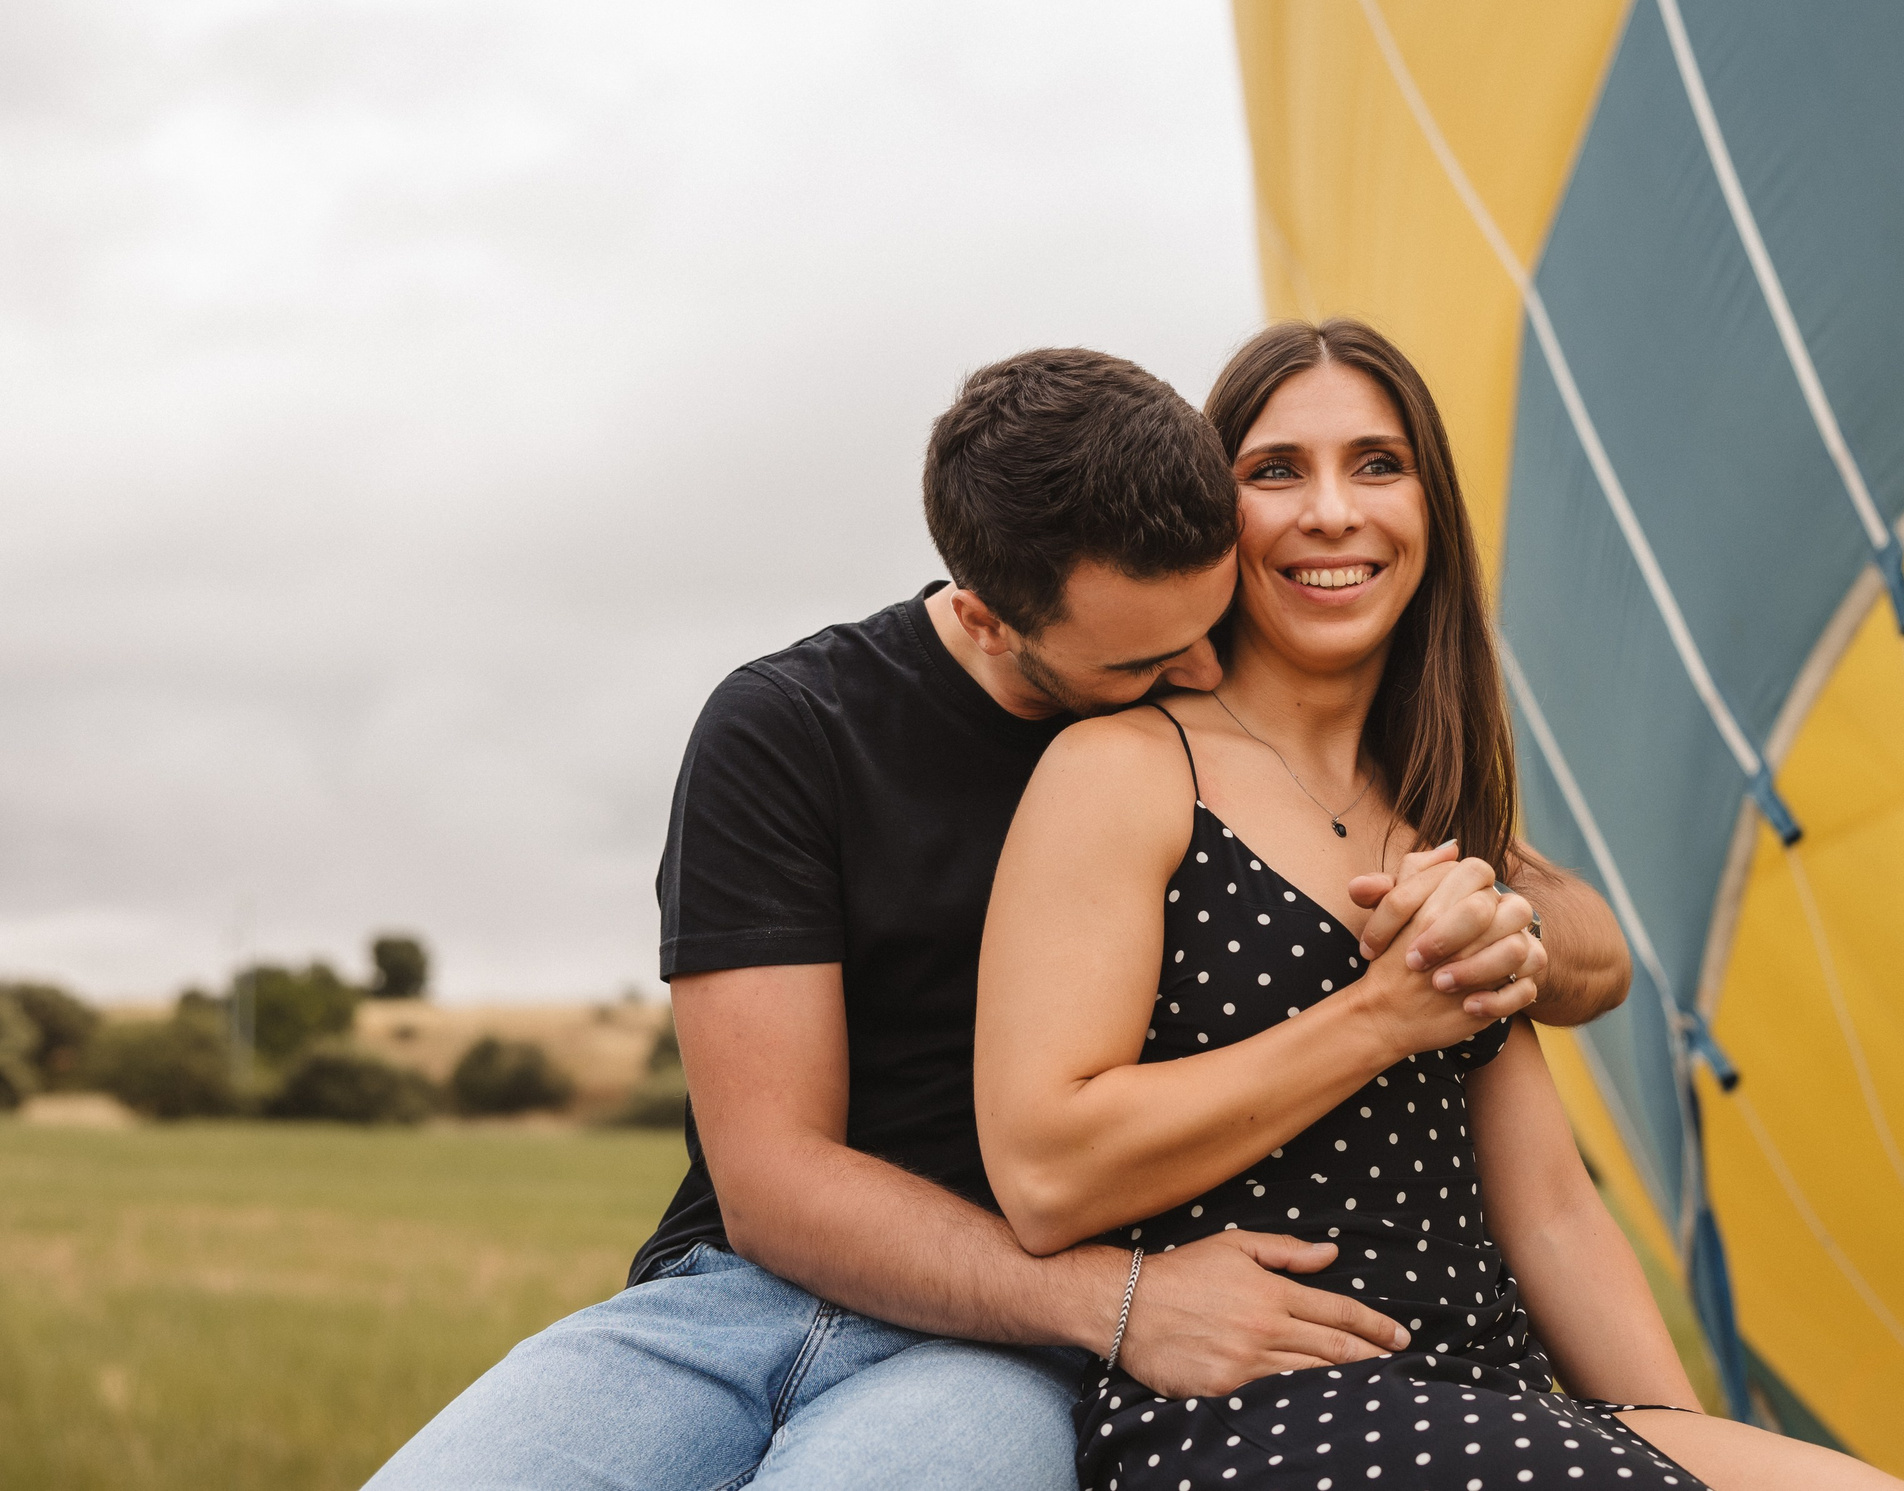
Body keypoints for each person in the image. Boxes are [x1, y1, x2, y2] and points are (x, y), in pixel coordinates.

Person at [368, 346, 1634, 1489]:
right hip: (763, 1300)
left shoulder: (1221, 729)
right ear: (987, 618)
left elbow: (1568, 936)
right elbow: (773, 1182)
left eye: (1210, 630)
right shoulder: (791, 731)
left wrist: (1484, 919)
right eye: (1142, 665)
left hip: (1006, 1357)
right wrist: (1123, 1304)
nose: (1197, 675)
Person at [976, 321, 1904, 1490]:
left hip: (1490, 1386)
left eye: (1378, 463)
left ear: (1431, 510)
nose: (1332, 511)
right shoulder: (1127, 767)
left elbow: (1554, 1214)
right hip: (1259, 1401)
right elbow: (1046, 1170)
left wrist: (1688, 1445)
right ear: (1220, 525)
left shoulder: (1439, 817)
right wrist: (1382, 1014)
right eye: (1276, 471)